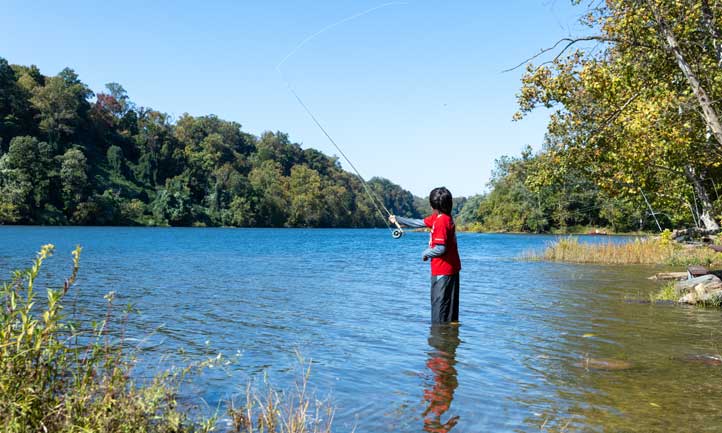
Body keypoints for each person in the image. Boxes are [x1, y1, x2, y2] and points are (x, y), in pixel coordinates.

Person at [389, 187, 461, 323]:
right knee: (449, 313)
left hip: (442, 272)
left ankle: (439, 340)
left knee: (439, 313)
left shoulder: (440, 222)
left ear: (432, 205)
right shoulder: (441, 217)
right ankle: (449, 339)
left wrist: (426, 253)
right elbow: (419, 223)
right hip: (451, 270)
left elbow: (441, 248)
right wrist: (398, 219)